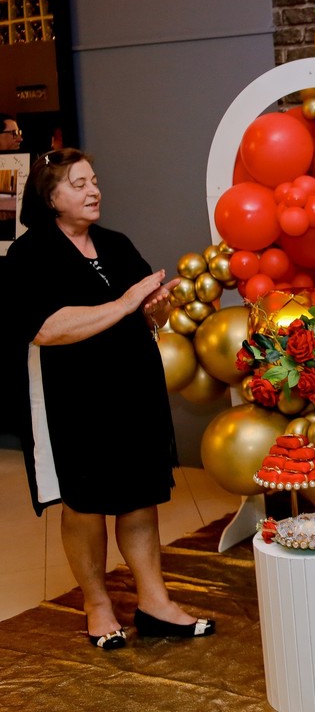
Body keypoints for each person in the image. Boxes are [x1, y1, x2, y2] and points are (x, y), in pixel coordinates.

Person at [5, 149, 215, 649]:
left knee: (139, 496)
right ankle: (97, 604)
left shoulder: (116, 244)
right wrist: (124, 303)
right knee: (85, 503)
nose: (94, 190)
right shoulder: (29, 254)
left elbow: (148, 315)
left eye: (94, 181)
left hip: (132, 390)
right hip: (73, 399)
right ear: (50, 197)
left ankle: (154, 602)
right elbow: (45, 328)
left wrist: (156, 308)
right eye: (79, 184)